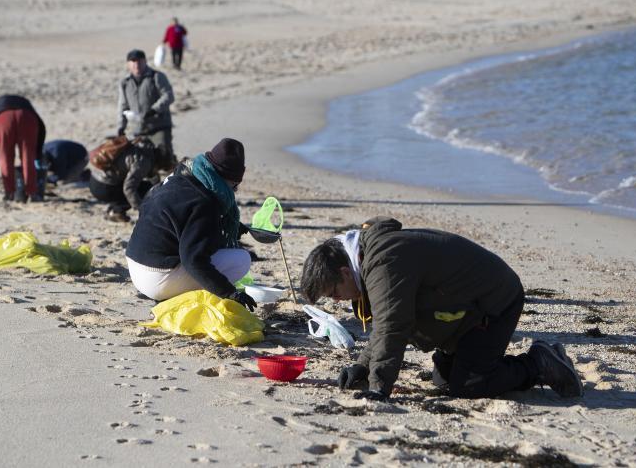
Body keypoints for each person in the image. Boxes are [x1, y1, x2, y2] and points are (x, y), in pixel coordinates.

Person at [300, 217, 584, 401]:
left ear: (344, 272)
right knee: (443, 380)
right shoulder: (370, 257)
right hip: (466, 308)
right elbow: (387, 321)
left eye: (333, 293)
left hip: (495, 302)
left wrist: (378, 387)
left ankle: (539, 363)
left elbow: (392, 326)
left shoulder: (383, 262)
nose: (337, 301)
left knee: (471, 385)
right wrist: (362, 367)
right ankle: (478, 357)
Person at [125, 138, 255, 311]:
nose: (234, 191)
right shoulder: (205, 202)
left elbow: (171, 220)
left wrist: (230, 227)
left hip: (135, 265)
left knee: (211, 252)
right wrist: (229, 293)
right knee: (241, 259)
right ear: (228, 180)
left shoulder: (180, 176)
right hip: (156, 278)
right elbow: (193, 260)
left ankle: (169, 293)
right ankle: (173, 297)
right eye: (234, 185)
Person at [0, 94, 46, 202]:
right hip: (27, 117)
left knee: (5, 157)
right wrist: (37, 157)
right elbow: (40, 136)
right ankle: (33, 193)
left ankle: (9, 193)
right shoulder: (25, 103)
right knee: (28, 156)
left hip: (2, 119)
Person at [117, 49, 176, 171]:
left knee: (164, 157)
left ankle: (174, 170)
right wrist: (121, 127)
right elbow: (122, 106)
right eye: (133, 61)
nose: (136, 64)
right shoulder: (125, 83)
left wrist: (154, 110)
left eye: (139, 61)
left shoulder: (157, 77)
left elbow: (168, 96)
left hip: (159, 126)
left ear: (145, 61)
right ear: (128, 64)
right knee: (143, 161)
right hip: (139, 128)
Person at [89, 137, 160, 222]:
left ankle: (113, 208)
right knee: (145, 189)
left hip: (94, 179)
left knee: (137, 185)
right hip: (103, 187)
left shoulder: (140, 146)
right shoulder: (144, 162)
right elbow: (129, 188)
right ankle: (116, 211)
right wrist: (142, 210)